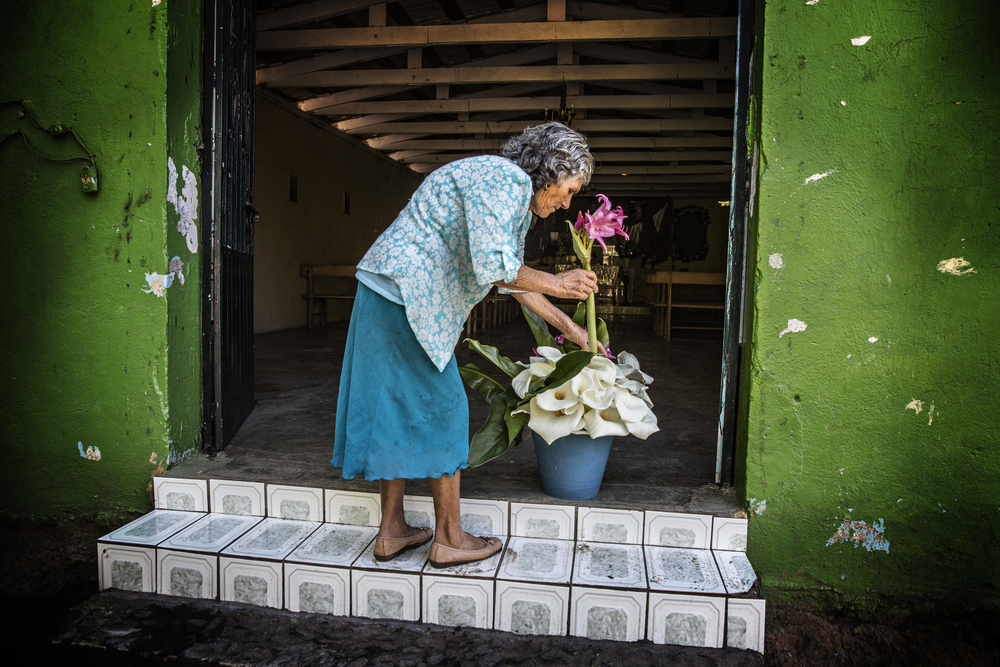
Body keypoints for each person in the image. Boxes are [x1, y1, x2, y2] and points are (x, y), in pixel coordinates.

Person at [332, 122, 601, 568]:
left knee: (393, 407)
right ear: (551, 170)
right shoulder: (506, 180)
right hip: (407, 296)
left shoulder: (503, 189)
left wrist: (568, 328)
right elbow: (496, 267)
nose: (566, 203)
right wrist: (557, 281)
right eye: (569, 189)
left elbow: (510, 277)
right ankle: (451, 538)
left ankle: (392, 531)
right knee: (446, 409)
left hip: (386, 291)